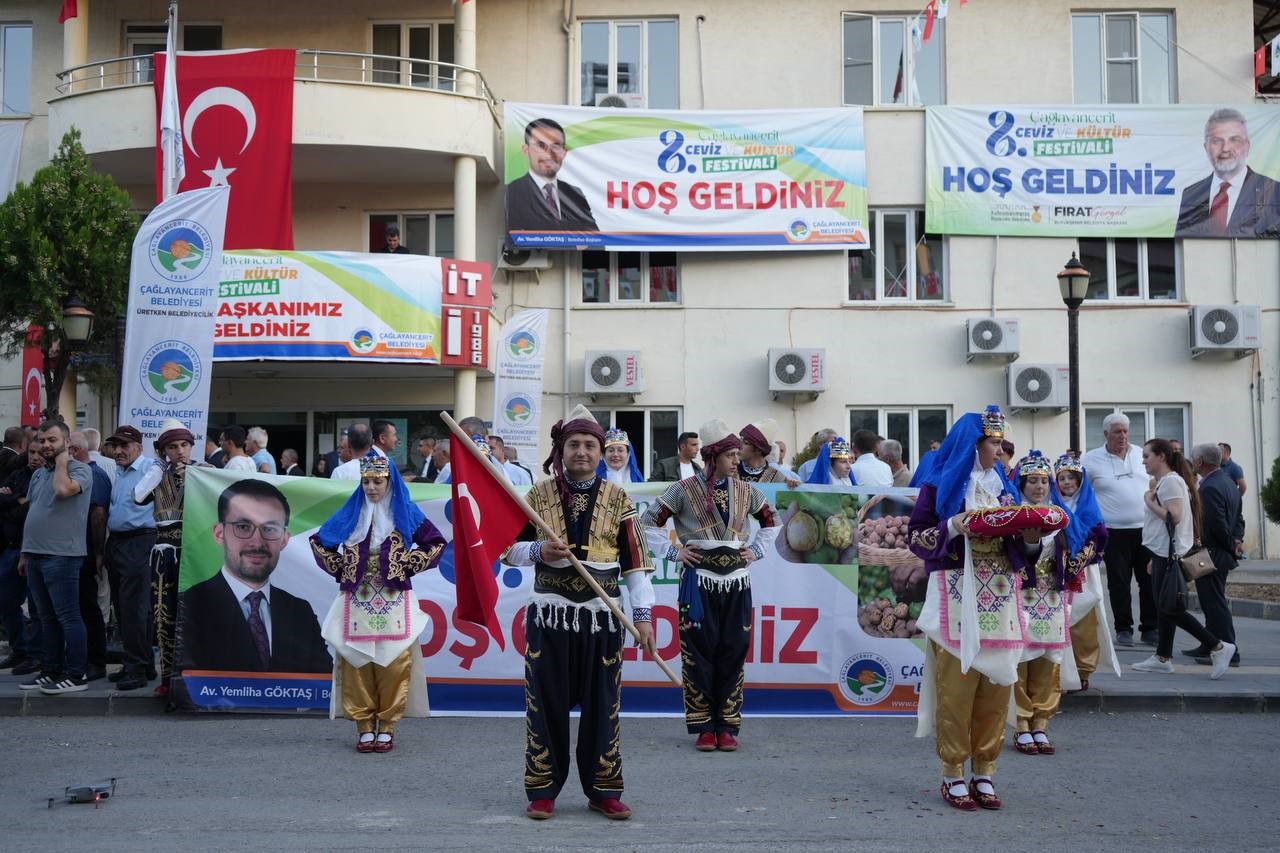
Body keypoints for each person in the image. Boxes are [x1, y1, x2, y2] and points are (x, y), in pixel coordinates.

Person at [503, 404, 655, 821]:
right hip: (549, 617)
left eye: (590, 445)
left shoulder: (620, 499)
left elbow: (636, 567)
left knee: (603, 704)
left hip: (603, 618)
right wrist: (539, 550)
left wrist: (642, 617)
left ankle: (603, 788)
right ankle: (542, 788)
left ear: (602, 451)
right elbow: (507, 550)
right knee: (544, 703)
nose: (582, 452)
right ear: (561, 449)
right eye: (574, 444)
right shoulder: (537, 495)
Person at [907, 405, 1046, 811]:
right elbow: (917, 539)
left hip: (1000, 592)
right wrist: (953, 526)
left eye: (1002, 442)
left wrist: (1033, 538)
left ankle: (985, 769)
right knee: (957, 687)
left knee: (998, 683)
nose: (1000, 450)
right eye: (994, 442)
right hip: (956, 591)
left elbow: (1021, 547)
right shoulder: (938, 488)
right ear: (974, 444)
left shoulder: (1003, 489)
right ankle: (953, 772)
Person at [641, 419, 780, 753]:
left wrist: (756, 551)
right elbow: (647, 523)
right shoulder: (683, 489)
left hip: (736, 582)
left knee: (733, 650)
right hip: (697, 583)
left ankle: (727, 724)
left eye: (737, 454)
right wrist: (674, 551)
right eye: (731, 455)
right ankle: (704, 725)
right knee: (697, 653)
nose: (737, 461)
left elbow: (772, 522)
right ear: (714, 456)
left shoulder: (748, 491)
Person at [310, 454, 446, 753]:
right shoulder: (351, 512)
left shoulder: (405, 511)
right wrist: (340, 566)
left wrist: (408, 564)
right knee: (355, 659)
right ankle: (362, 725)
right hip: (356, 598)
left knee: (394, 660)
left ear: (390, 481)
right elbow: (319, 542)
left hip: (394, 597)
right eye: (366, 481)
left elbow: (435, 543)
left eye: (378, 481)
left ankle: (386, 725)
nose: (371, 487)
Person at [177, 479, 333, 674]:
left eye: (270, 529)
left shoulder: (300, 610)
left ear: (284, 540)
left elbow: (322, 679)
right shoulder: (191, 605)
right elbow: (187, 683)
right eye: (243, 526)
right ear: (219, 533)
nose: (257, 542)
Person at [1131, 439, 1235, 679]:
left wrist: (1148, 500)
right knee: (1164, 606)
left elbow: (1174, 517)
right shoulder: (1168, 482)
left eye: (1147, 456)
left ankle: (1218, 647)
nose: (1143, 460)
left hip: (1171, 554)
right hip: (1163, 553)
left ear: (1161, 457)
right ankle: (1162, 657)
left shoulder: (1171, 482)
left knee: (1171, 608)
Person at [1009, 451, 1080, 757]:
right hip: (1019, 595)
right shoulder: (1011, 513)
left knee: (1050, 659)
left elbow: (1080, 546)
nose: (1039, 487)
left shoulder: (1059, 514)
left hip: (1051, 596)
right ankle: (1021, 723)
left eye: (1043, 481)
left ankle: (1042, 721)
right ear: (1021, 484)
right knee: (1020, 658)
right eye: (1032, 481)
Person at [133, 420, 211, 696]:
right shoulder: (157, 473)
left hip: (195, 552)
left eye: (184, 445)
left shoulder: (206, 471)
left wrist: (193, 476)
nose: (180, 451)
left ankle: (196, 674)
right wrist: (157, 465)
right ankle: (167, 678)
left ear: (192, 446)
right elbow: (138, 495)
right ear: (163, 450)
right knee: (163, 616)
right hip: (164, 553)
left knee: (196, 615)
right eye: (172, 447)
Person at [17, 420, 94, 695]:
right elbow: (34, 511)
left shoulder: (79, 470)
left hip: (62, 555)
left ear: (65, 443)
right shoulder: (39, 474)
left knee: (68, 617)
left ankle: (77, 674)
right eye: (42, 440)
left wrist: (63, 461)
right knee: (46, 618)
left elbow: (63, 491)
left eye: (52, 440)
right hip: (36, 555)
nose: (46, 445)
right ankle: (51, 670)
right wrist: (25, 553)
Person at [1082, 413, 1156, 647]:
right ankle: (1123, 628)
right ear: (1106, 434)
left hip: (1146, 529)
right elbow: (1080, 493)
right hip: (1113, 531)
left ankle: (1150, 628)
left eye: (1125, 431)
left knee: (1149, 580)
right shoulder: (1091, 459)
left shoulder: (1141, 455)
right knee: (1119, 582)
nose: (1122, 436)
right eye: (1117, 431)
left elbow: (1156, 483)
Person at [1055, 453, 1116, 693]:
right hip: (1057, 570)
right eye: (1061, 478)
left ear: (1080, 480)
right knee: (1059, 621)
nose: (1066, 482)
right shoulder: (1052, 503)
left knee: (1083, 620)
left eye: (1071, 477)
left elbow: (1100, 535)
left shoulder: (1089, 504)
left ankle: (1083, 669)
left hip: (1084, 572)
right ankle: (1058, 670)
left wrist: (1080, 558)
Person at [105, 425, 159, 692]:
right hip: (118, 543)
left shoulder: (152, 468)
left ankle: (137, 668)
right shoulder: (121, 471)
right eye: (115, 446)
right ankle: (141, 663)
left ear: (139, 447)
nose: (118, 451)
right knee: (124, 607)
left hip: (139, 540)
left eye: (124, 445)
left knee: (134, 608)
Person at [1175, 108, 1280, 238]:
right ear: (1206, 147)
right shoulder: (1190, 195)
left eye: (1234, 140)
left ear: (1247, 146)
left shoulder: (1273, 191)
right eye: (1216, 141)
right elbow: (1183, 244)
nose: (1225, 148)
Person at [1188, 443, 1242, 668]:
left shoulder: (1209, 488)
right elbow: (1239, 518)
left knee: (1215, 603)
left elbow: (1217, 524)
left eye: (1193, 459)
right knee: (1210, 601)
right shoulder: (1228, 482)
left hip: (1212, 554)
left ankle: (1230, 649)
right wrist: (1237, 540)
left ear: (1200, 462)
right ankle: (1209, 644)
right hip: (1220, 553)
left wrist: (1230, 545)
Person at [506, 117, 599, 233]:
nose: (549, 154)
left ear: (564, 153)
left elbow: (596, 241)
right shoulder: (512, 192)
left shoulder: (575, 194)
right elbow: (515, 238)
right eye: (540, 145)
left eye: (556, 146)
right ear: (526, 150)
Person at [67, 432, 110, 682]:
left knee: (88, 608)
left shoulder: (94, 474)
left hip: (83, 553)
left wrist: (98, 553)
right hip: (72, 550)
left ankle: (96, 661)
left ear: (73, 449)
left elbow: (98, 514)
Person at [0, 443, 43, 674]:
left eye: (39, 453)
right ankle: (20, 650)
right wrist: (17, 499)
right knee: (5, 601)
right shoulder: (17, 475)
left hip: (36, 548)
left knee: (38, 606)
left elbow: (30, 511)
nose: (35, 457)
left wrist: (11, 501)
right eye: (32, 453)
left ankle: (37, 655)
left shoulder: (47, 477)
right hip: (11, 547)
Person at [737, 420, 792, 484]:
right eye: (740, 440)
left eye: (746, 443)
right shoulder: (730, 471)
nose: (739, 445)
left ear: (759, 450)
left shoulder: (776, 477)